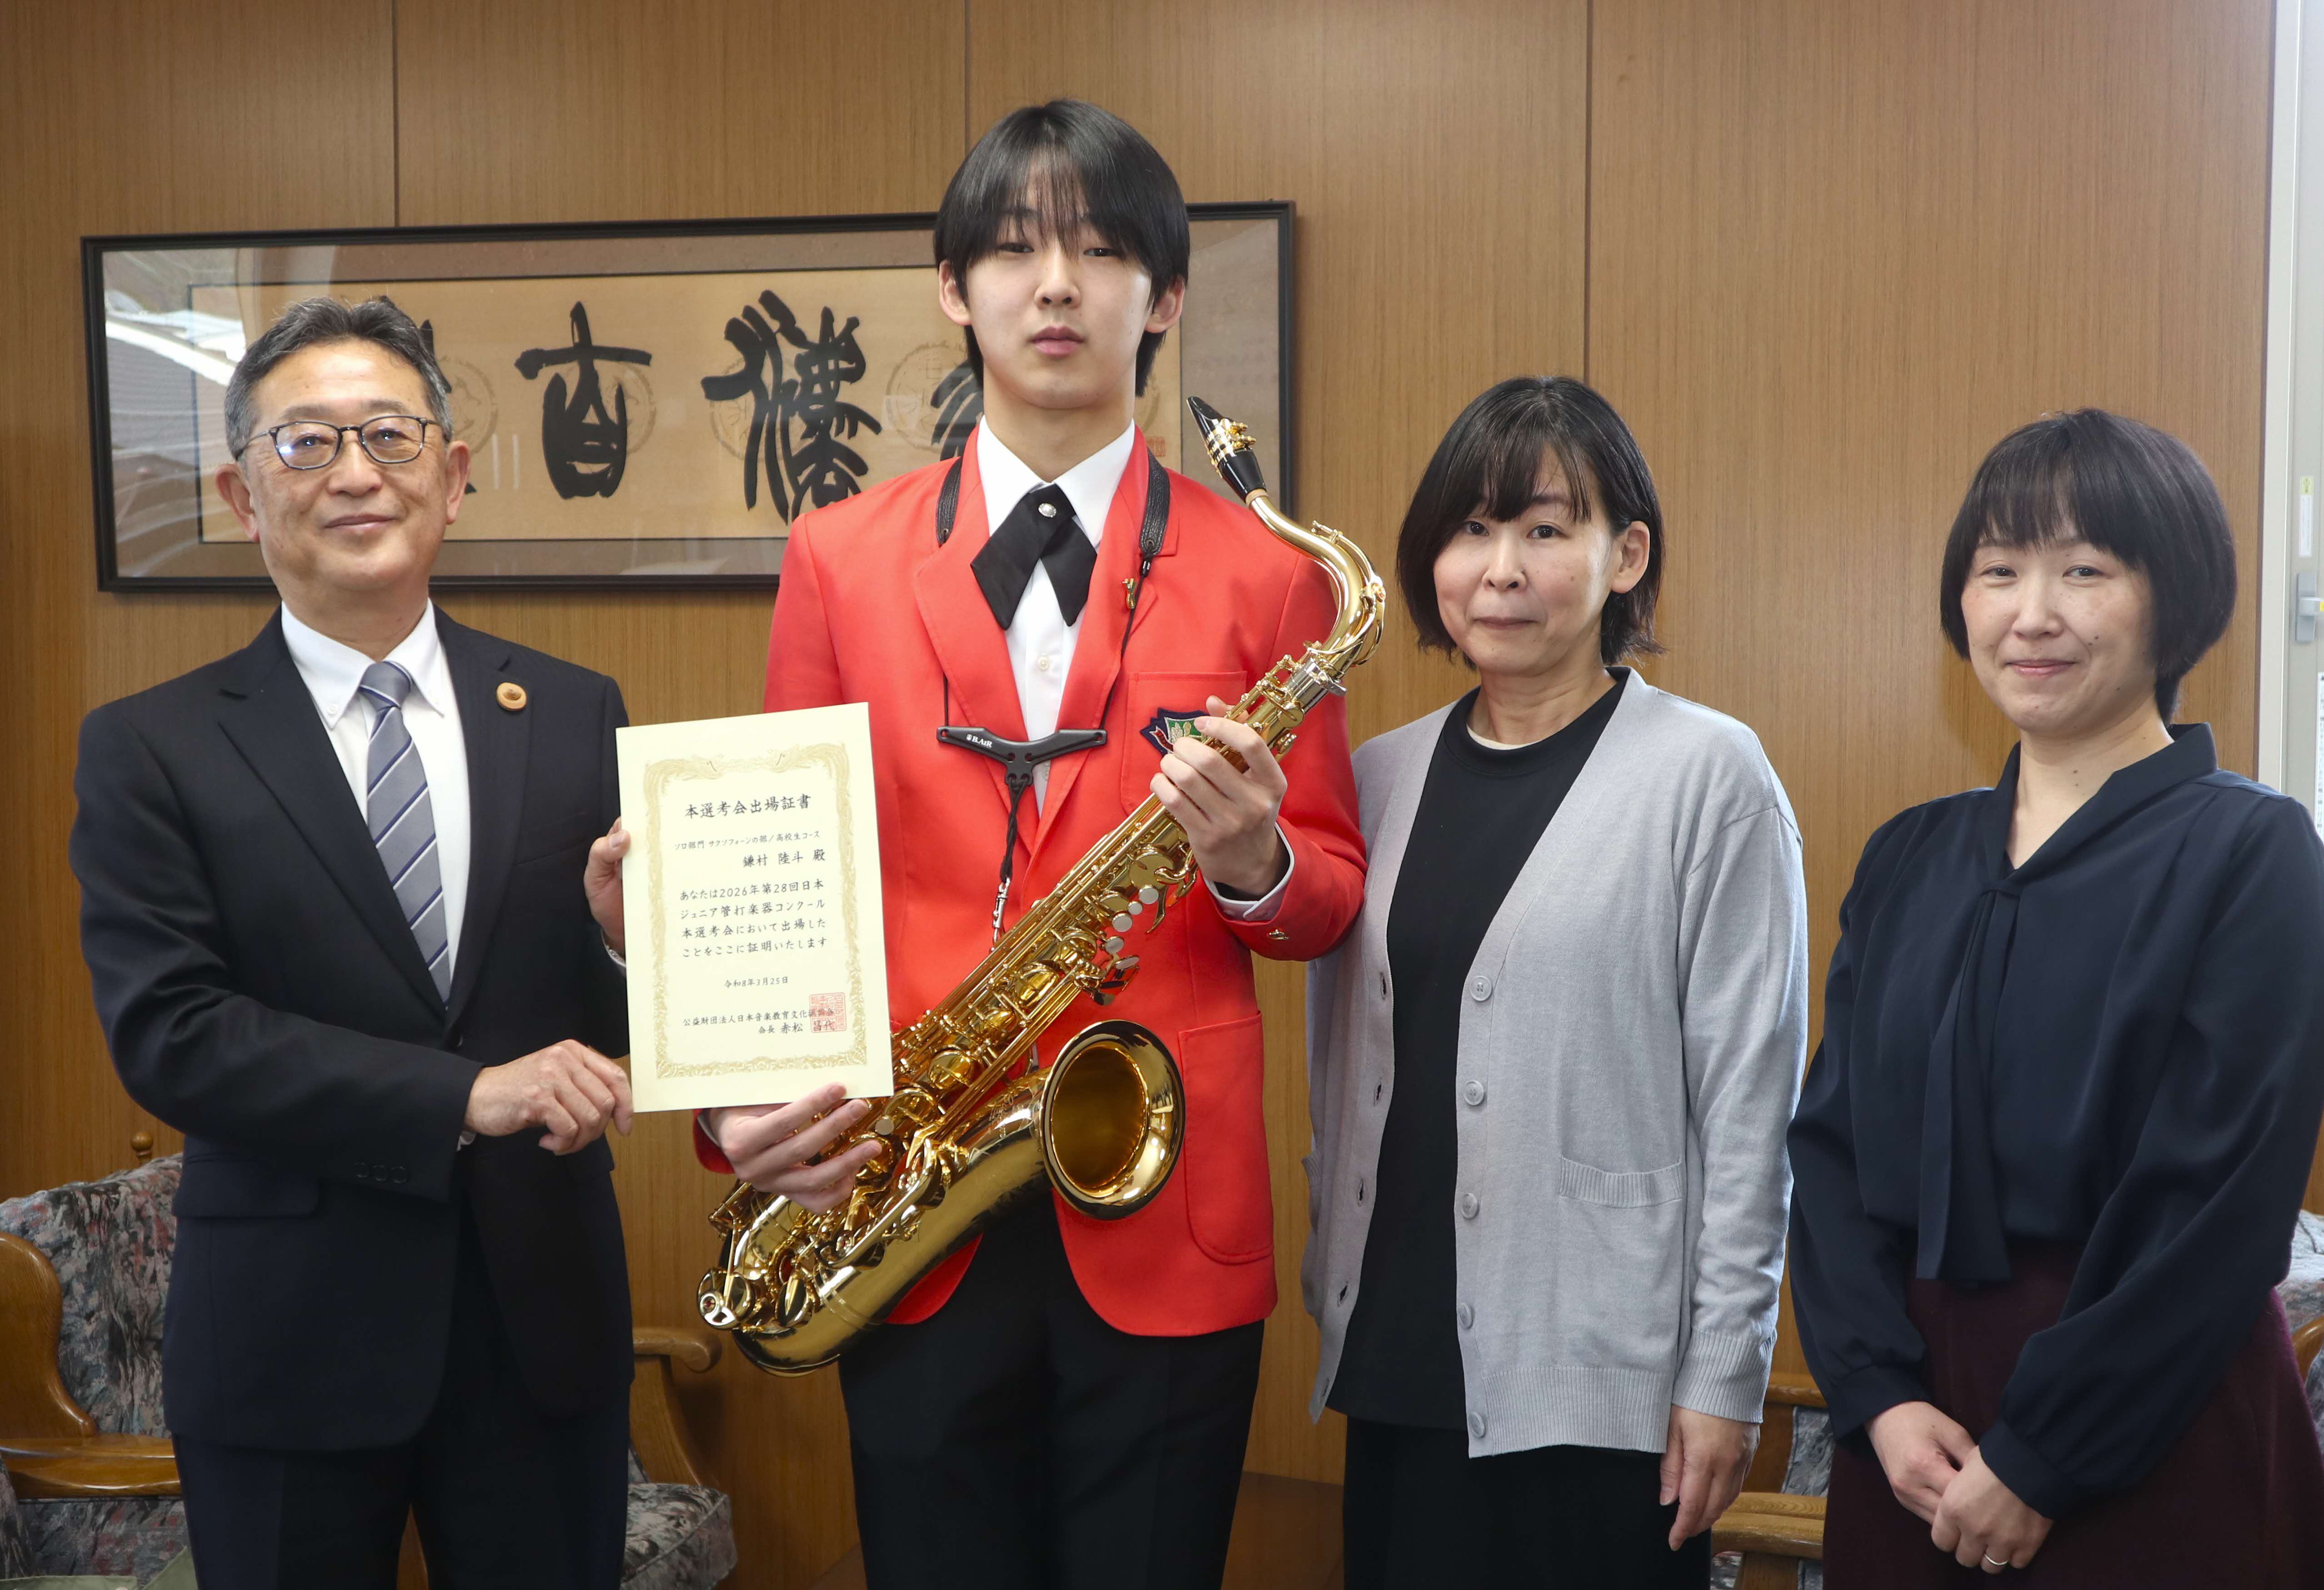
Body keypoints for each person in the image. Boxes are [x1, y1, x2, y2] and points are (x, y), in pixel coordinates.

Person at [693, 100, 1367, 1589]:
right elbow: (776, 881)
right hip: (907, 1198)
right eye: (1012, 249)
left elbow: (1325, 898)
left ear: (1165, 299)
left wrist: (1255, 858)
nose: (1055, 284)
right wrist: (741, 1112)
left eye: (1102, 249)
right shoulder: (838, 557)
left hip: (1168, 1196)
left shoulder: (1268, 571)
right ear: (954, 289)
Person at [72, 296, 641, 1589]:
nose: (355, 473)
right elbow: (175, 1033)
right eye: (306, 443)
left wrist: (622, 955)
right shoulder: (154, 745)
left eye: (390, 434)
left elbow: (597, 1042)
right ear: (237, 491)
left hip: (540, 1329)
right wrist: (466, 1095)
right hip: (288, 1347)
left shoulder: (569, 710)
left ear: (453, 474)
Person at [1786, 409, 2324, 1585]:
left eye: (2083, 570)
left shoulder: (2255, 855)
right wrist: (1880, 1397)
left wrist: (2048, 1454)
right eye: (1998, 570)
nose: (2030, 613)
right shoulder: (1909, 857)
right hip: (1913, 1438)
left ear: (2173, 599)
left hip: (2154, 1426)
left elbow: (2215, 1208)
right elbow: (1832, 1157)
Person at [1302, 376, 1807, 1588]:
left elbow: (1750, 1111)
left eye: (1543, 527)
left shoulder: (1710, 774)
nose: (1501, 569)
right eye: (1470, 531)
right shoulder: (1374, 775)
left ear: (1625, 553)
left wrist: (1724, 1373)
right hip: (1398, 1351)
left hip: (1602, 1380)